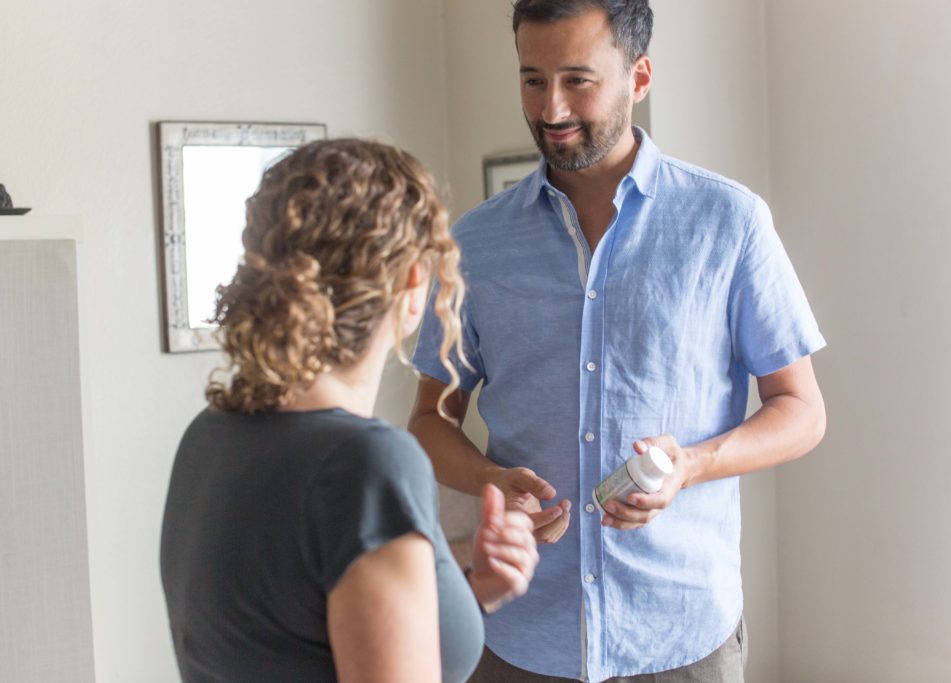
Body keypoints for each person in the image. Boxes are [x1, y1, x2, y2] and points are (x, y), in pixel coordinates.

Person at [408, 1, 827, 681]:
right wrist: (490, 479)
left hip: (682, 633)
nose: (551, 109)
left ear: (640, 77)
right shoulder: (476, 244)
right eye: (533, 79)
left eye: (578, 79)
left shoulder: (730, 222)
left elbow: (802, 409)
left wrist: (690, 463)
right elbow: (430, 419)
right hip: (521, 635)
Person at [160, 138, 539, 683]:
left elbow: (299, 642)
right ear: (413, 278)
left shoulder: (210, 434)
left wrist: (473, 592)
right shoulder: (364, 463)